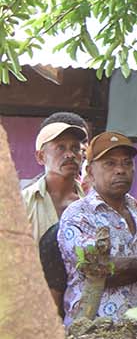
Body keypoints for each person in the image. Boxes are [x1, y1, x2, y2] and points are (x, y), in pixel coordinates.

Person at [56, 132, 137, 326]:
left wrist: (125, 265)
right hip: (92, 336)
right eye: (109, 163)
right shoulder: (78, 215)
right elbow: (97, 271)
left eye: (127, 163)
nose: (120, 170)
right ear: (90, 171)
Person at [22, 113, 90, 312]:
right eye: (60, 147)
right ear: (41, 156)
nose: (69, 154)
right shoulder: (21, 204)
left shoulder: (92, 207)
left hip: (79, 313)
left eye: (75, 148)